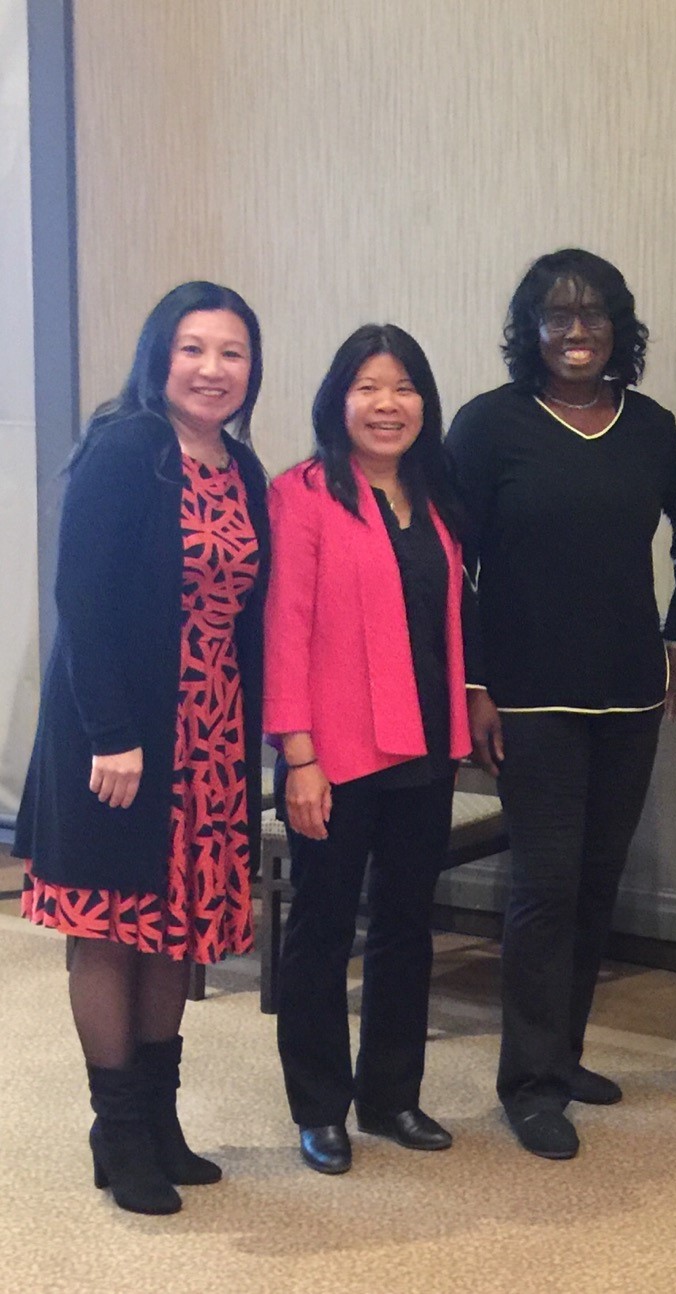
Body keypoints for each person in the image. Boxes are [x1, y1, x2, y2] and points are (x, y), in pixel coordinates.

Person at [14, 281, 270, 1215]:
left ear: (252, 367)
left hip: (209, 734)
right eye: (193, 348)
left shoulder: (241, 468)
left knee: (178, 927)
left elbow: (245, 614)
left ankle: (159, 1124)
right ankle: (117, 1133)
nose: (212, 369)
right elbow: (81, 599)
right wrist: (115, 733)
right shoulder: (125, 447)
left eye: (232, 352)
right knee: (112, 928)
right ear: (159, 355)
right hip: (115, 734)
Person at [446, 248, 676, 1160]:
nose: (576, 330)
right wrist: (473, 684)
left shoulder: (649, 427)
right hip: (528, 702)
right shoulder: (488, 427)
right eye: (556, 316)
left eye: (593, 313)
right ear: (531, 330)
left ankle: (565, 1054)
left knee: (598, 888)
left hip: (629, 696)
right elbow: (450, 567)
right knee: (544, 893)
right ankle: (529, 1084)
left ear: (619, 326)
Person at [265, 324, 472, 1175]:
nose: (387, 406)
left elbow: (446, 622)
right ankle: (320, 1108)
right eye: (368, 388)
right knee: (319, 930)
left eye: (404, 389)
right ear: (338, 399)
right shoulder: (304, 492)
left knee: (404, 925)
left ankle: (391, 1095)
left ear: (424, 402)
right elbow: (286, 631)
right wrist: (299, 757)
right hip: (336, 755)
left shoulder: (435, 495)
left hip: (425, 743)